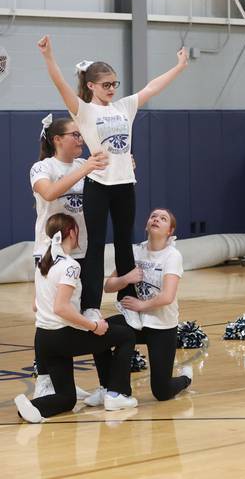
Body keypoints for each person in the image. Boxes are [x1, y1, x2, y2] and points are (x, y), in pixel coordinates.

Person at [37, 35, 189, 319]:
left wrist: (179, 66)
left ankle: (126, 301)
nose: (111, 89)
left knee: (124, 241)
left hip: (124, 185)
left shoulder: (124, 107)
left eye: (114, 84)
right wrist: (48, 57)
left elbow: (152, 87)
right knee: (95, 245)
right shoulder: (84, 110)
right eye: (105, 85)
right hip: (98, 186)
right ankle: (91, 306)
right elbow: (61, 85)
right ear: (91, 85)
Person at [14, 214, 137, 424]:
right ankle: (117, 393)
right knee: (125, 335)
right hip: (62, 338)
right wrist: (93, 325)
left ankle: (32, 407)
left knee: (67, 398)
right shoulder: (71, 266)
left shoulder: (43, 263)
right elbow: (61, 308)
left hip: (43, 339)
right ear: (71, 232)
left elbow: (36, 305)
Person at [29, 114, 107, 398]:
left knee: (88, 312)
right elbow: (49, 193)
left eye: (81, 134)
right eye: (75, 134)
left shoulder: (84, 166)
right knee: (49, 316)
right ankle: (46, 379)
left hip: (83, 251)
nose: (80, 139)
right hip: (50, 253)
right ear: (57, 139)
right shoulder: (42, 167)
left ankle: (106, 387)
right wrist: (85, 169)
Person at [100, 208, 192, 402]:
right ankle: (109, 389)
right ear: (147, 225)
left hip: (162, 325)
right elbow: (108, 286)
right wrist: (126, 278)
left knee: (162, 391)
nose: (156, 219)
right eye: (153, 216)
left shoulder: (172, 256)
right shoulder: (135, 251)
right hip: (136, 322)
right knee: (99, 332)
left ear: (170, 231)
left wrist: (141, 305)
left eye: (163, 218)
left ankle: (185, 378)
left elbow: (167, 296)